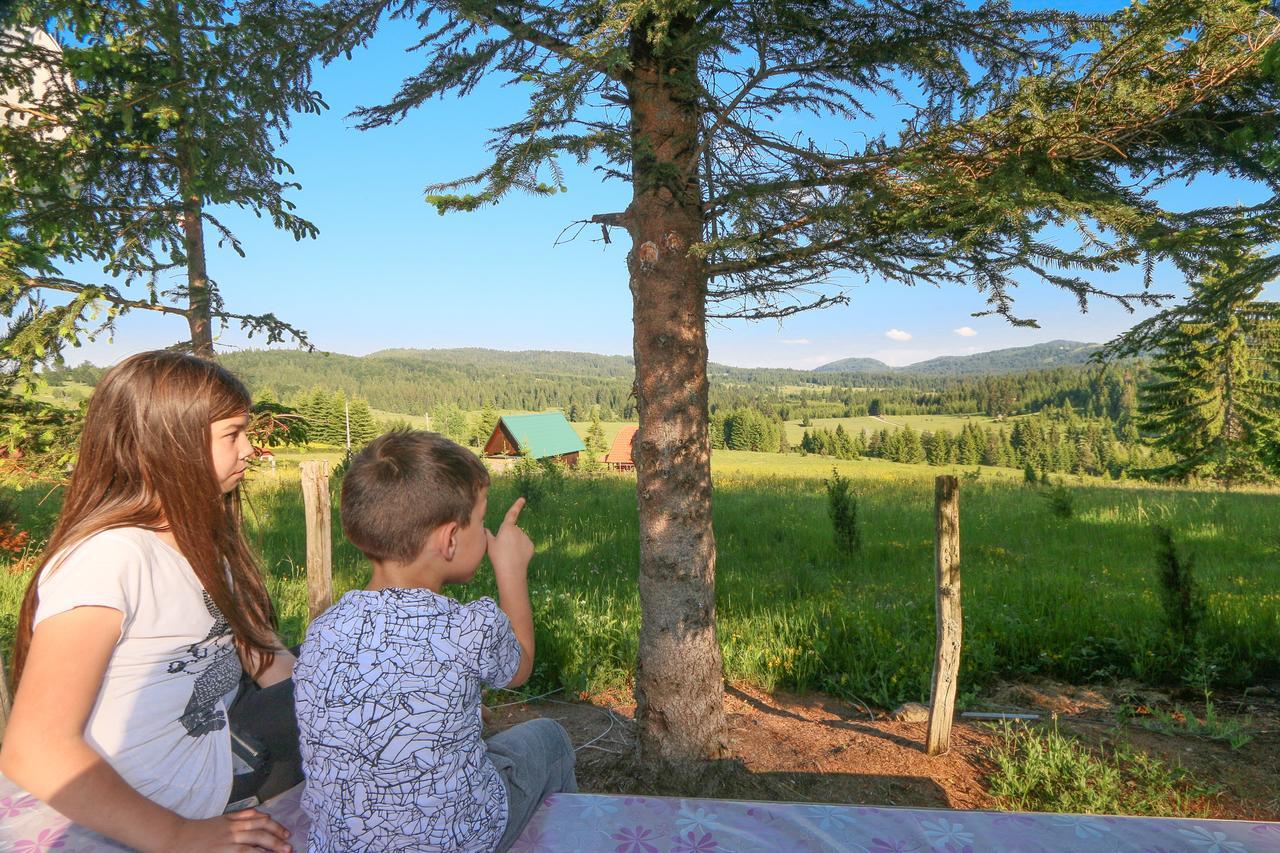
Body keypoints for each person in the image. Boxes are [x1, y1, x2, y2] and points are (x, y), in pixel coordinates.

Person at [0, 351, 300, 852]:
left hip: (218, 754)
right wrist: (176, 836)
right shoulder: (110, 559)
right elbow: (35, 748)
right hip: (154, 797)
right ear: (168, 446)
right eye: (232, 434)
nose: (251, 449)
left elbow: (261, 656)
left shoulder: (197, 542)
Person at [293, 430, 577, 852]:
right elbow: (521, 667)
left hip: (342, 844)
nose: (486, 534)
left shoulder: (323, 630)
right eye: (480, 522)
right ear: (448, 540)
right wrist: (510, 570)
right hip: (458, 841)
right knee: (550, 738)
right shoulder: (468, 627)